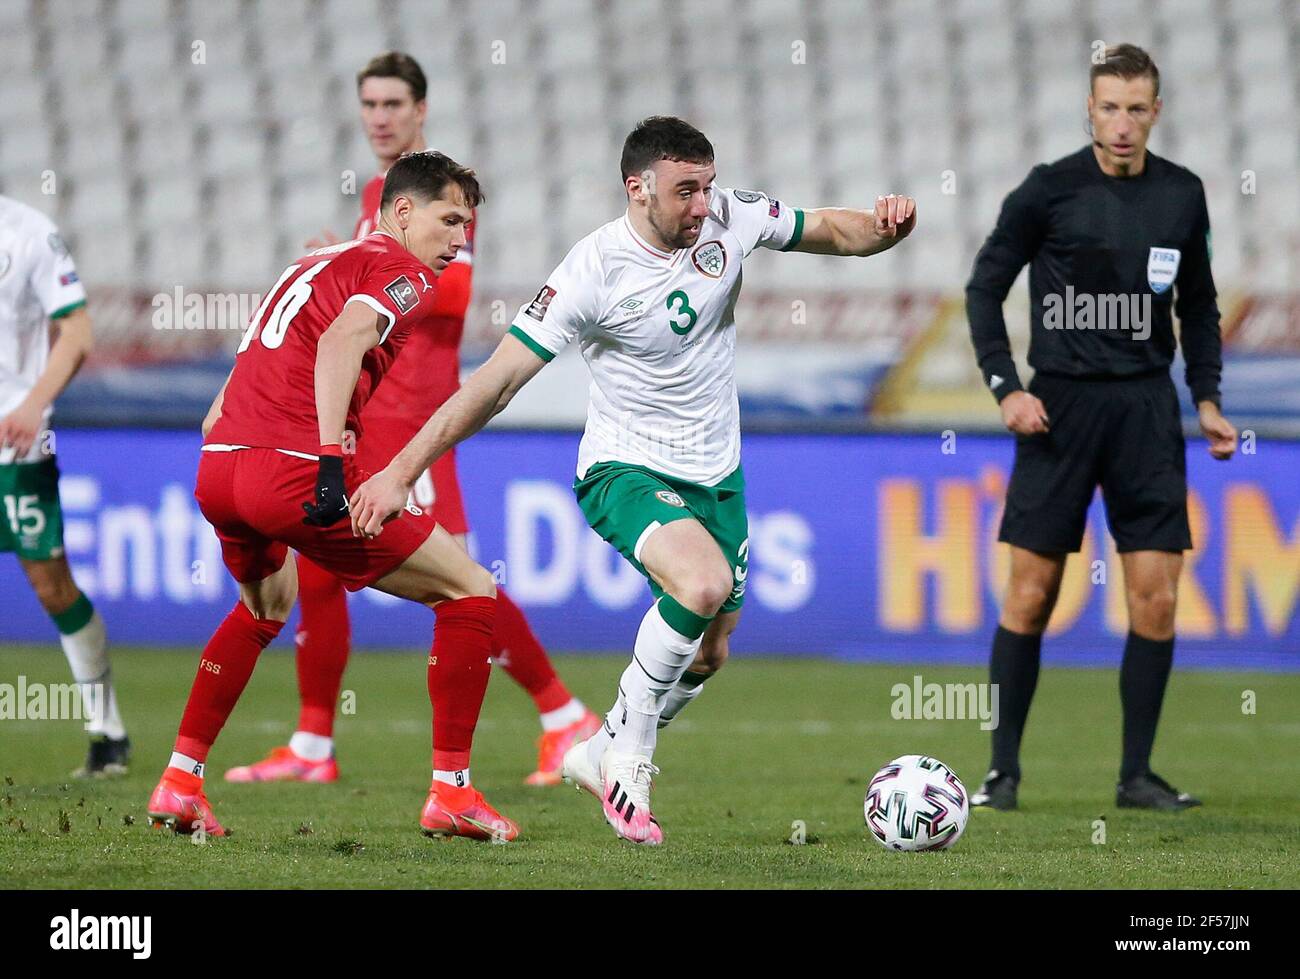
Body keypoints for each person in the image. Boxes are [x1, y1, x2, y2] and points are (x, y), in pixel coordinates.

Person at [348, 116, 917, 844]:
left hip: (717, 473)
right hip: (625, 465)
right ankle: (629, 762)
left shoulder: (729, 217)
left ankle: (595, 748)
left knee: (710, 649)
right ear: (637, 187)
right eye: (686, 190)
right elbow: (495, 383)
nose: (703, 205)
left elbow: (833, 232)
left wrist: (884, 226)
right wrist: (401, 470)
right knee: (702, 584)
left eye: (708, 186)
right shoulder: (592, 270)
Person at [227, 51, 597, 788]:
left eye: (393, 104)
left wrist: (350, 258)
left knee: (460, 575)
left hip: (418, 420)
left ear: (421, 111)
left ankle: (564, 717)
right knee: (322, 565)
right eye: (368, 104)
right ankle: (312, 742)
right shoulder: (380, 195)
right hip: (368, 417)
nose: (379, 118)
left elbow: (445, 295)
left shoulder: (442, 194)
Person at [147, 151, 520, 842]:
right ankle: (452, 792)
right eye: (449, 220)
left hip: (221, 464)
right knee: (470, 591)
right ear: (402, 213)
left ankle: (179, 780)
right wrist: (326, 461)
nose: (459, 239)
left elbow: (231, 388)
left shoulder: (309, 264)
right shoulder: (403, 272)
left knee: (264, 605)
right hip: (292, 470)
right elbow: (346, 337)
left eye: (467, 225)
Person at [964, 44, 1236, 812]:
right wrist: (1004, 389)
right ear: (1089, 110)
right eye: (1109, 107)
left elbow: (1201, 304)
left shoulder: (1182, 194)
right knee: (1032, 592)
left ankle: (1136, 776)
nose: (1122, 123)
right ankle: (1003, 772)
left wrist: (1206, 398)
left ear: (1157, 111)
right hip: (1060, 407)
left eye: (1137, 108)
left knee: (1155, 597)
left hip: (1148, 409)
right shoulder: (1047, 192)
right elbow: (985, 288)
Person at [0, 195, 129, 777]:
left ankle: (108, 732)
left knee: (52, 588)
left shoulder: (28, 233)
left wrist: (33, 404)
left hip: (14, 442)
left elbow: (76, 331)